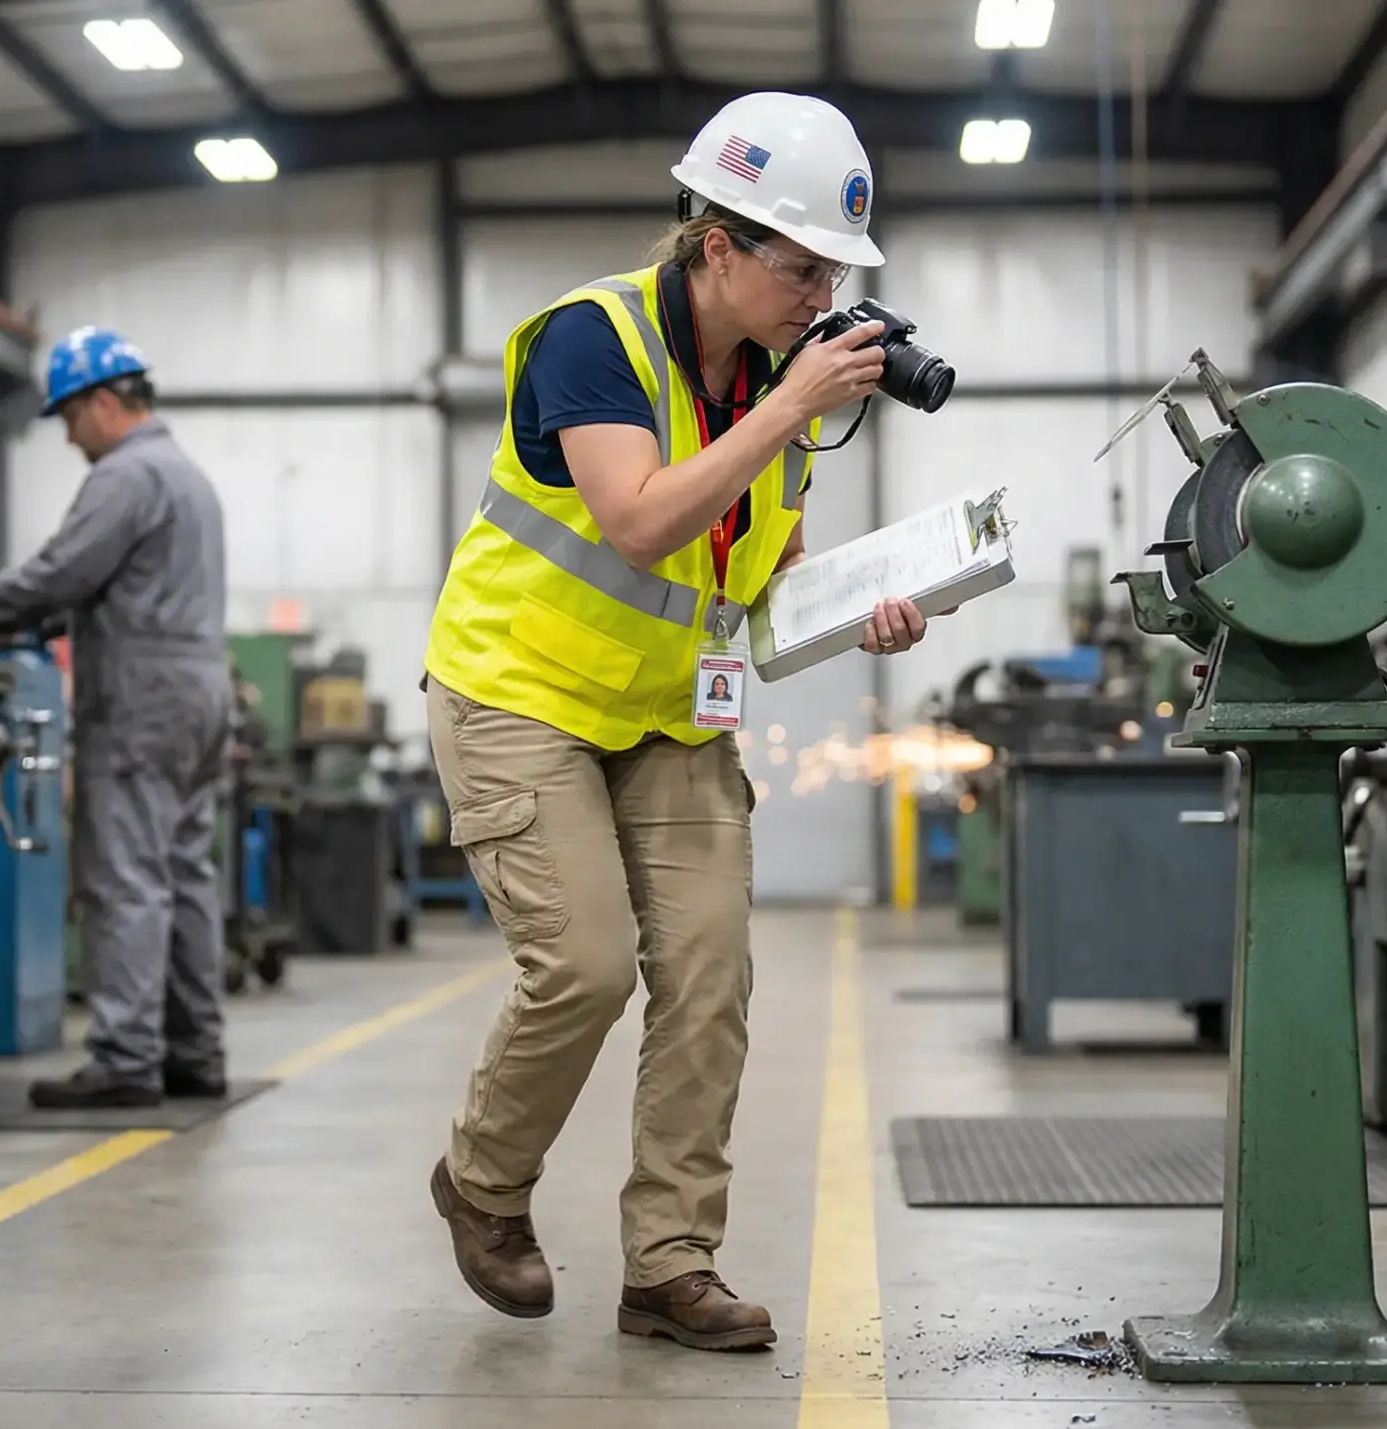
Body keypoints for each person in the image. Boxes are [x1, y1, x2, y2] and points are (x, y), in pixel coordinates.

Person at [419, 91, 930, 1352]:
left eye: (834, 273)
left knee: (708, 974)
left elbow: (758, 571)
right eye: (801, 266)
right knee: (584, 965)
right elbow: (641, 519)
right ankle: (482, 1183)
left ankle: (669, 1263)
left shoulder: (777, 386)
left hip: (666, 714)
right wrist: (787, 408)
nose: (821, 296)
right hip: (519, 691)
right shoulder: (592, 342)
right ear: (717, 246)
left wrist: (862, 606)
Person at [0, 327, 235, 1110]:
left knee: (125, 876)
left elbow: (60, 573)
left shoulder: (126, 475)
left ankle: (127, 1058)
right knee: (184, 873)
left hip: (140, 698)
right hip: (199, 691)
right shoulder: (187, 476)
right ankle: (195, 1051)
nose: (67, 435)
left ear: (102, 402)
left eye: (67, 416)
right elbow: (116, 588)